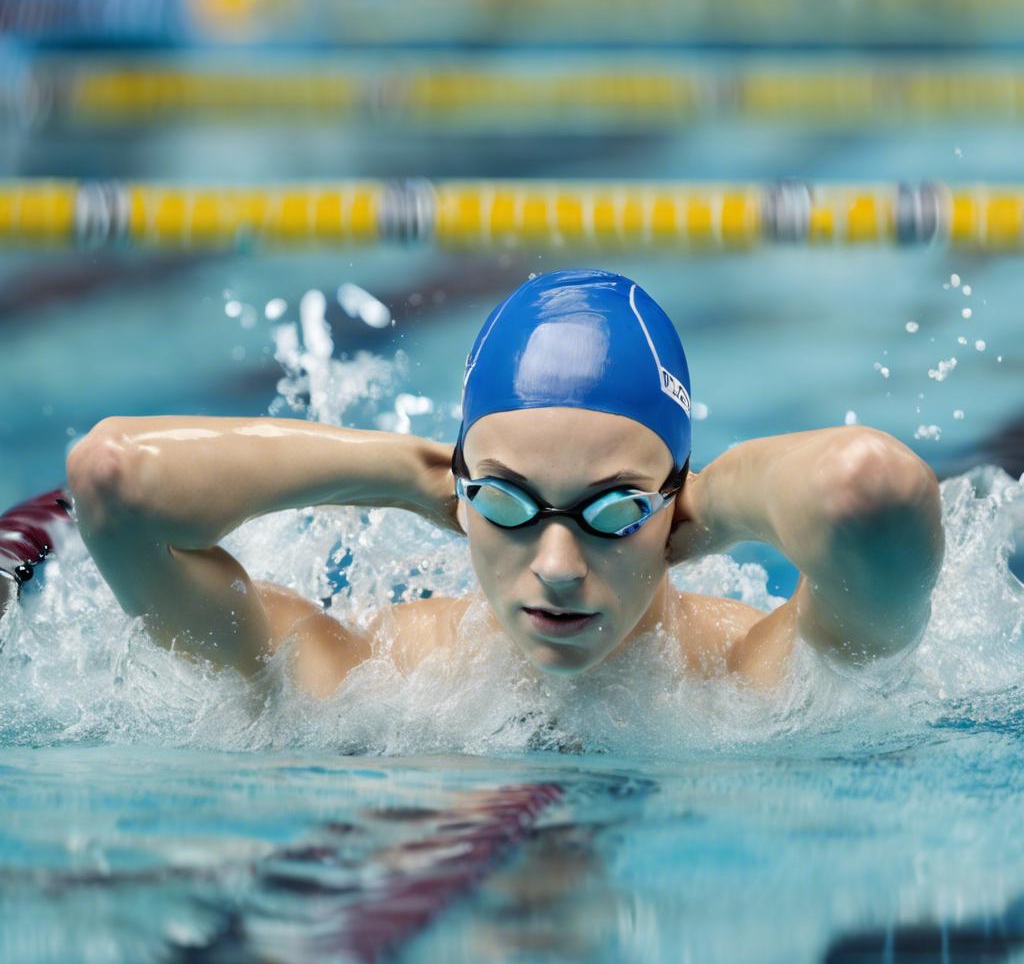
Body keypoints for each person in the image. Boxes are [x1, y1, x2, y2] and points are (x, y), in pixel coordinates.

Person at [64, 269, 945, 697]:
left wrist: (710, 506)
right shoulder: (381, 680)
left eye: (612, 510)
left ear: (670, 506)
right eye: (507, 502)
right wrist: (406, 473)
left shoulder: (752, 680)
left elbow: (869, 491)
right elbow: (114, 481)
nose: (557, 562)